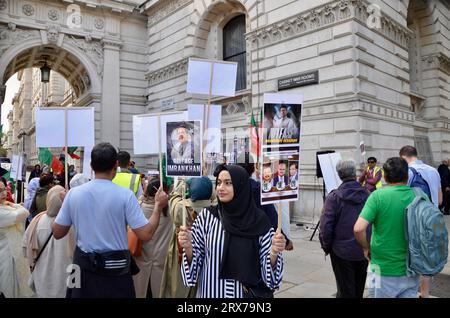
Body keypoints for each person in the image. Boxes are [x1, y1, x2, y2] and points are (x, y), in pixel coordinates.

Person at [52, 142, 169, 298]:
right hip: (116, 272)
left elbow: (57, 232)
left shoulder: (73, 195)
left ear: (91, 166)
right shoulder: (125, 195)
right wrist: (158, 208)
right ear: (115, 165)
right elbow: (146, 234)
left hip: (82, 270)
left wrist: (67, 205)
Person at [178, 165, 285, 298]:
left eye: (228, 183)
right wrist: (188, 247)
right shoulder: (207, 217)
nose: (221, 188)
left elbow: (270, 278)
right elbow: (194, 266)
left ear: (241, 186)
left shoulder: (259, 221)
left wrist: (274, 251)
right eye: (218, 183)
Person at [354, 157, 419, 298]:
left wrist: (366, 248)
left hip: (381, 268)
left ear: (384, 175)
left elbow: (358, 229)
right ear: (407, 175)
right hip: (412, 267)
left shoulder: (377, 196)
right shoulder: (419, 195)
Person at [319, 160, 370, 298]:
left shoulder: (334, 197)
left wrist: (326, 246)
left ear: (339, 175)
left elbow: (325, 227)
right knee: (358, 289)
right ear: (354, 173)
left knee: (345, 290)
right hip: (363, 249)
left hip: (341, 251)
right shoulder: (368, 194)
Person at [160, 176, 216, 298]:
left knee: (177, 286)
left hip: (181, 253)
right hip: (206, 254)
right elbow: (216, 196)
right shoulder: (214, 210)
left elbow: (174, 196)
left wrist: (184, 181)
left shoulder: (180, 208)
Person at [399, 145, 442, 298]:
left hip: (415, 222)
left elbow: (404, 199)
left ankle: (410, 290)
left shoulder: (408, 172)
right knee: (427, 255)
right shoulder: (434, 170)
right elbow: (440, 198)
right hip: (433, 218)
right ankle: (424, 293)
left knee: (412, 255)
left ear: (403, 157)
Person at [23, 185, 75, 298]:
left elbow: (25, 251)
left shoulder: (36, 222)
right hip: (68, 280)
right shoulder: (74, 223)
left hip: (43, 279)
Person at [133, 179, 173, 298]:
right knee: (159, 291)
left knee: (140, 290)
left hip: (141, 257)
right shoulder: (171, 210)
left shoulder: (139, 207)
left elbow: (141, 198)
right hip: (162, 258)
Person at [0, 181, 33, 298]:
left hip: (14, 253)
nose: (3, 193)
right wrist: (15, 205)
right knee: (9, 288)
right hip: (6, 257)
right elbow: (24, 213)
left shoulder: (3, 206)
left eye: (4, 189)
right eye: (0, 191)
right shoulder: (2, 211)